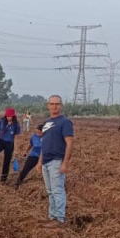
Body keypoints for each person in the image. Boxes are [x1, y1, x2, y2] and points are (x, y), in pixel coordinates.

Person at [41, 95, 74, 227]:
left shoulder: (65, 122)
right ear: (48, 106)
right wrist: (40, 161)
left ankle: (59, 218)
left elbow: (70, 143)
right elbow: (44, 143)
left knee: (57, 190)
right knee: (50, 191)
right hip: (46, 161)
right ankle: (52, 216)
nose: (54, 106)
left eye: (57, 104)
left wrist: (65, 162)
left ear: (61, 106)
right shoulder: (47, 122)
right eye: (52, 104)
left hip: (56, 161)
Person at [0, 107, 22, 183]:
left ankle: (3, 179)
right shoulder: (1, 121)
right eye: (7, 116)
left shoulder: (16, 125)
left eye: (10, 116)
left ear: (13, 116)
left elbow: (16, 138)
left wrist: (16, 149)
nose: (8, 117)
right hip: (0, 141)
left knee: (7, 161)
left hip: (9, 143)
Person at [14, 123, 43, 189]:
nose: (38, 134)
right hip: (34, 155)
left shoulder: (47, 138)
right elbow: (31, 144)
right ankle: (18, 182)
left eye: (39, 133)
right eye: (37, 132)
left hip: (44, 157)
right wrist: (26, 151)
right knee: (25, 169)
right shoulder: (34, 136)